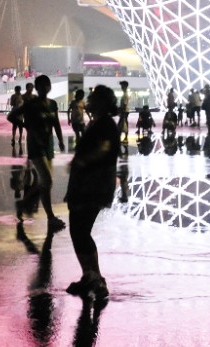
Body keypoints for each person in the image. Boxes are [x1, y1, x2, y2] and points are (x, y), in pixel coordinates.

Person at [64, 85, 120, 299]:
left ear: (103, 102)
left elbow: (105, 151)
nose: (90, 99)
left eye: (94, 97)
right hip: (85, 185)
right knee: (79, 232)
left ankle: (96, 279)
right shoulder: (99, 123)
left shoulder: (105, 125)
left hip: (93, 187)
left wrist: (84, 161)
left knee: (80, 231)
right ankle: (90, 276)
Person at [8, 75, 67, 231]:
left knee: (44, 183)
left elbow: (56, 124)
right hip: (35, 146)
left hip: (48, 146)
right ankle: (50, 217)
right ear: (37, 88)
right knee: (47, 180)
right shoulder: (31, 104)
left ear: (49, 87)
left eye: (46, 85)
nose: (44, 88)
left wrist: (60, 140)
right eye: (40, 86)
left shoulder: (52, 104)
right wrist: (26, 126)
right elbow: (11, 116)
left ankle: (23, 204)